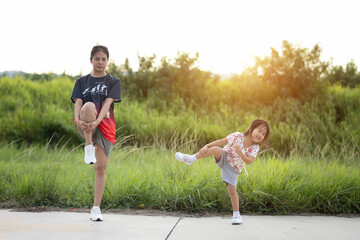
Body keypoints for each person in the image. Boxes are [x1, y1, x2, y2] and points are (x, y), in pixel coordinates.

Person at [175, 119, 270, 225]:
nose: (260, 135)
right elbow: (222, 141)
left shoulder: (254, 147)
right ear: (252, 128)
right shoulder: (237, 136)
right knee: (216, 149)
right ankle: (190, 159)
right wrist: (206, 146)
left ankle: (237, 214)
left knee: (232, 190)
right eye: (259, 131)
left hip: (233, 168)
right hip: (224, 156)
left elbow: (248, 161)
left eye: (263, 134)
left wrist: (240, 152)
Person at [71, 45, 121, 221]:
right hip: (84, 123)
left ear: (107, 61)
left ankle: (96, 208)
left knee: (100, 168)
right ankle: (88, 146)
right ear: (91, 60)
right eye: (97, 59)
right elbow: (78, 103)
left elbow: (107, 104)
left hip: (104, 125)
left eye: (104, 59)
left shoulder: (113, 81)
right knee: (88, 106)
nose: (100, 62)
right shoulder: (81, 81)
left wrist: (96, 123)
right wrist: (79, 121)